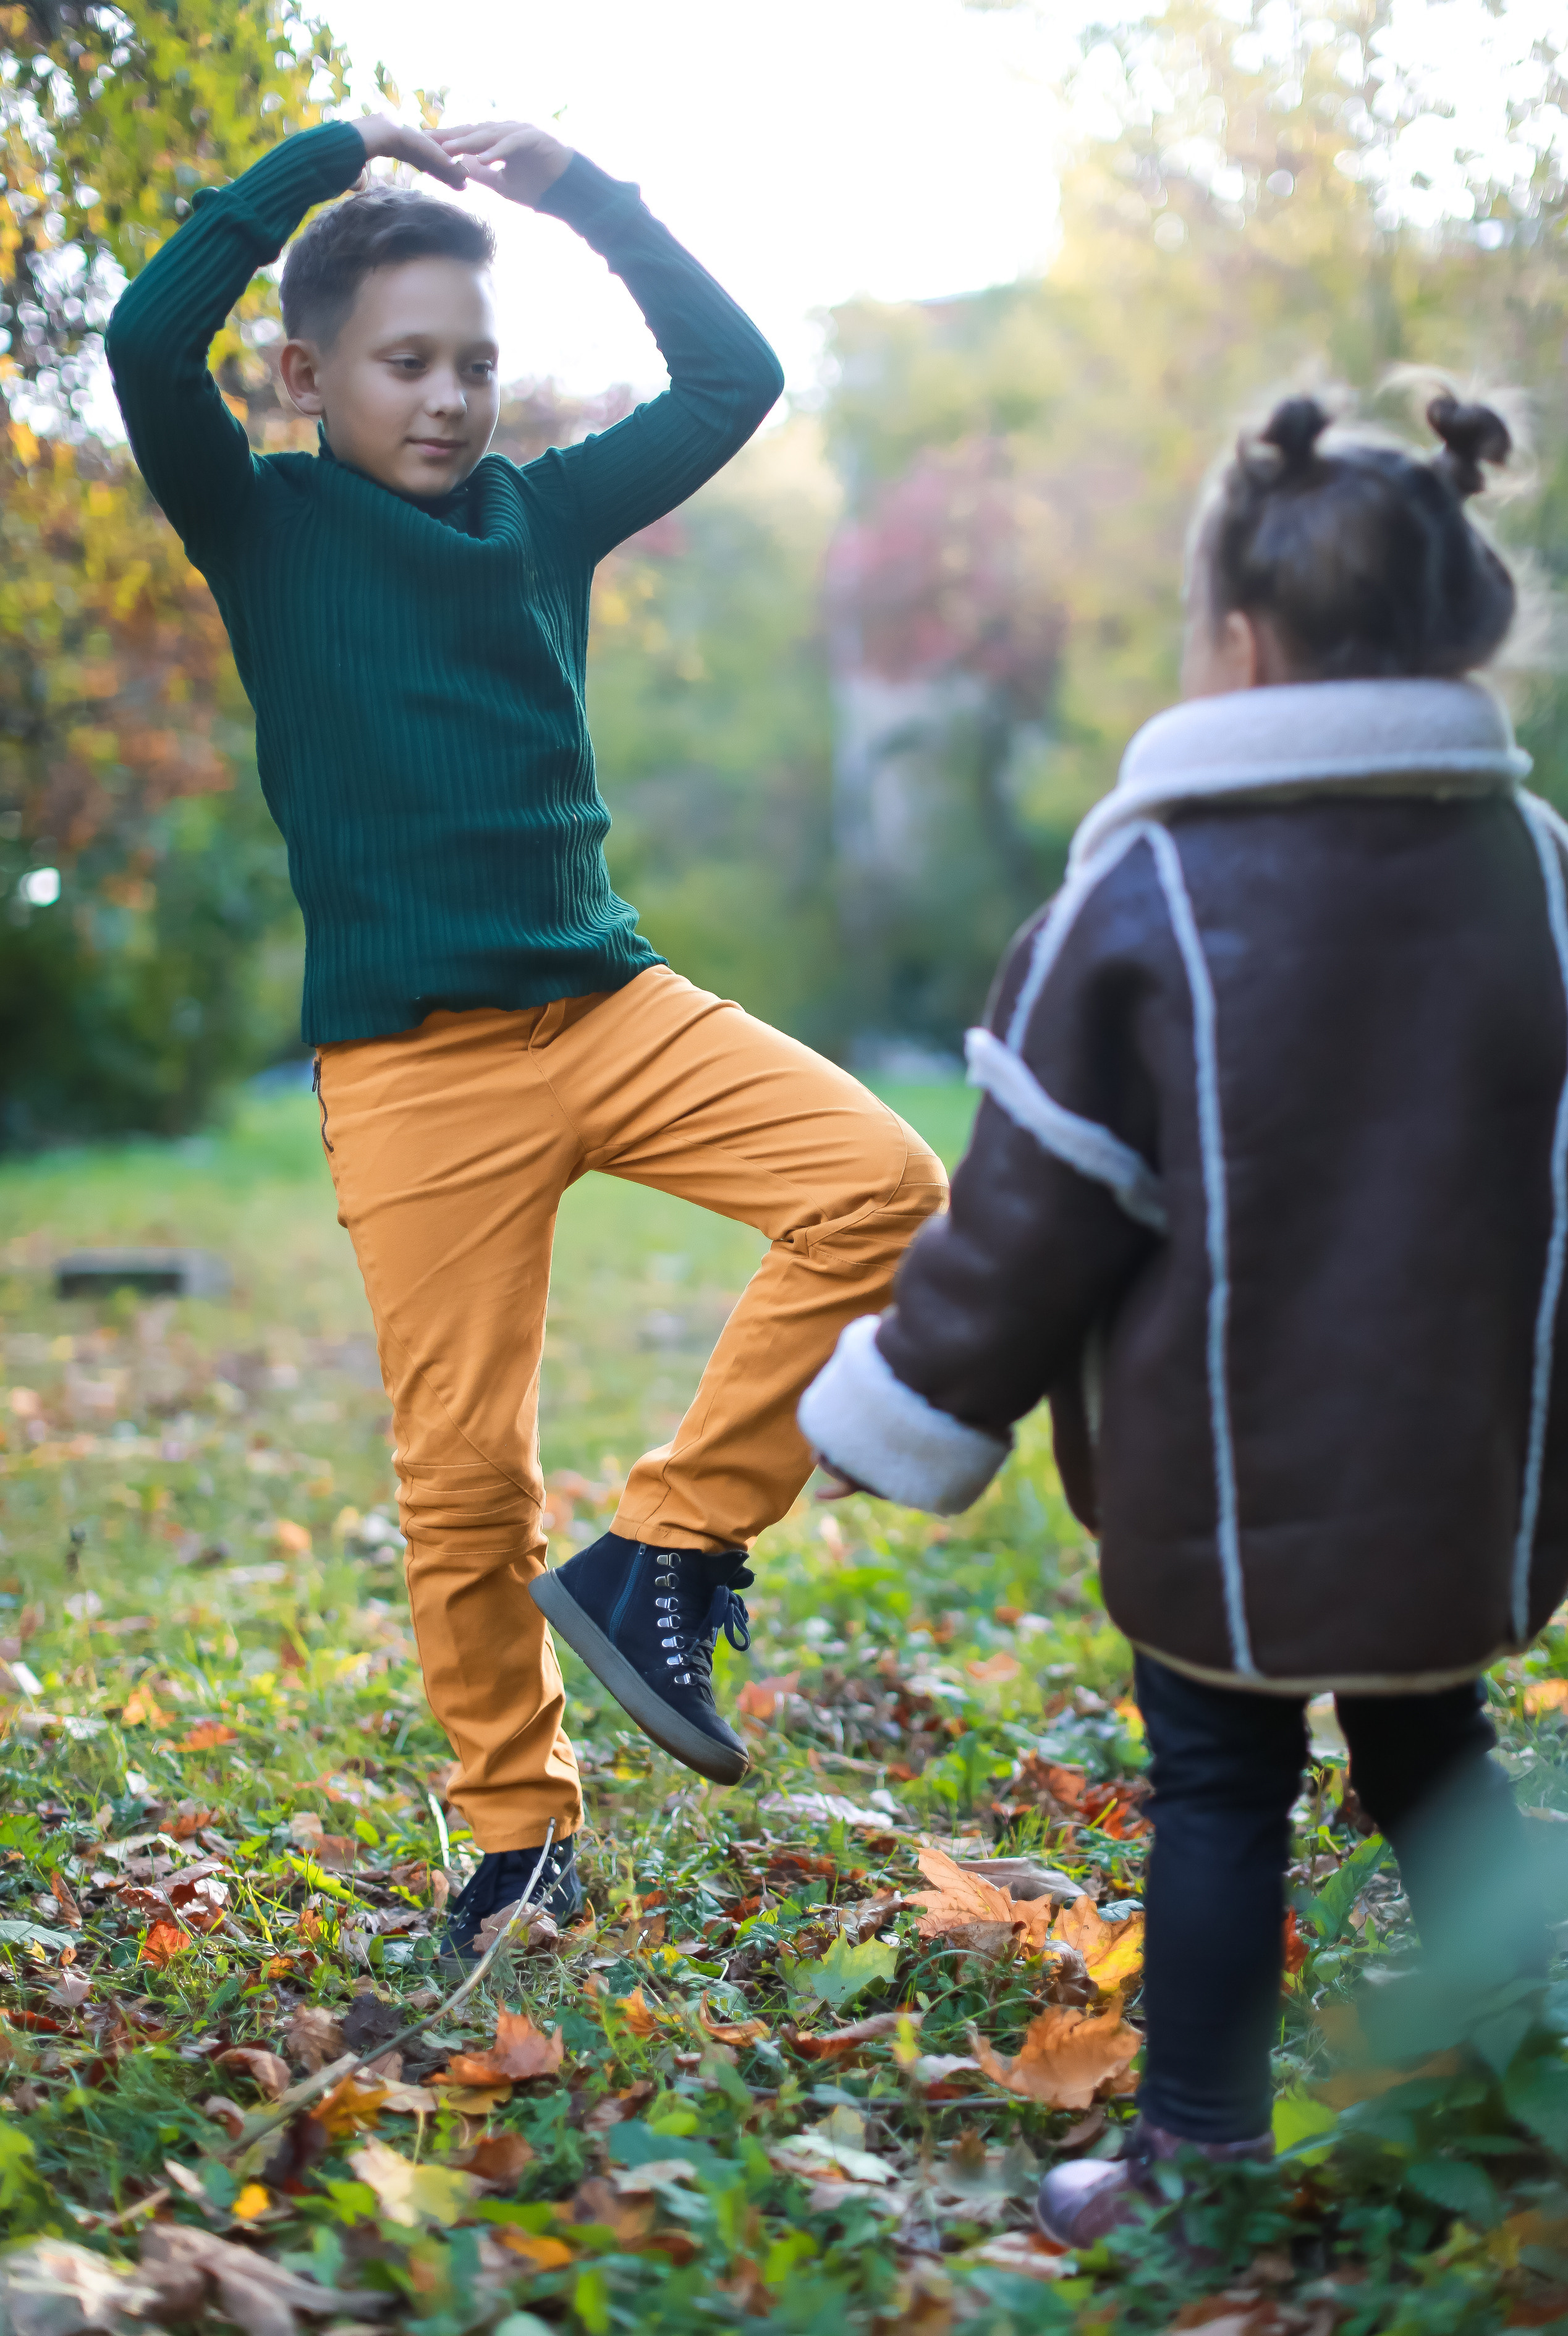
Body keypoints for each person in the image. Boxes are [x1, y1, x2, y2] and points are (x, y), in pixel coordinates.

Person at [108, 113, 945, 1962]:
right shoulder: (256, 518)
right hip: (413, 1070)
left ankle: (667, 1545)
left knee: (881, 1181)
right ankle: (515, 1835)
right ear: (307, 372)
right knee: (463, 1469)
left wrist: (576, 196)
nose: (448, 400)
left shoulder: (541, 510)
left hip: (610, 1000)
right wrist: (314, 165)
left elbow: (736, 372)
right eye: (405, 364)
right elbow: (141, 345)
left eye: (476, 364)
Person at [798, 391, 1561, 2241]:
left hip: (1227, 1486)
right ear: (1464, 620)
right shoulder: (1535, 871)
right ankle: (1531, 2061)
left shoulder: (1141, 886)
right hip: (1462, 1475)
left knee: (1218, 1786)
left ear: (1233, 635)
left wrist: (900, 1403)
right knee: (1428, 1744)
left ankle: (1194, 2162)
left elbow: (1032, 1207)